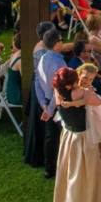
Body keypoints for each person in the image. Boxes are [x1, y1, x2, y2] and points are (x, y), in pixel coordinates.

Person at [47, 67, 101, 202]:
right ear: (69, 84)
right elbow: (97, 102)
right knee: (86, 179)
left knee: (69, 177)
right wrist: (82, 98)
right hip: (83, 140)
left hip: (68, 138)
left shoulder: (57, 92)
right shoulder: (83, 93)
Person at [24, 22, 59, 170]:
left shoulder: (43, 46)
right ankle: (43, 158)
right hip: (43, 87)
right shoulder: (41, 51)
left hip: (42, 84)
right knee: (43, 124)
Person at [36, 28, 68, 178]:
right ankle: (60, 167)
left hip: (47, 103)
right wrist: (49, 109)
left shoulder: (43, 58)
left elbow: (37, 82)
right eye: (61, 40)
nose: (63, 42)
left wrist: (43, 103)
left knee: (50, 137)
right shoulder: (58, 64)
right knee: (62, 135)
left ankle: (49, 168)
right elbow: (58, 90)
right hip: (57, 104)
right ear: (56, 44)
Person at [71, 63, 101, 161]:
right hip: (84, 111)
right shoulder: (74, 87)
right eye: (85, 77)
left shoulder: (89, 89)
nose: (87, 81)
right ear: (79, 74)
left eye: (91, 79)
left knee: (98, 126)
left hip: (93, 109)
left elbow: (88, 100)